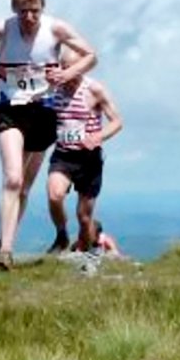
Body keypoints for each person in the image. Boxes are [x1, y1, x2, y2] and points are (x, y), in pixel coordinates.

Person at [0, 0, 97, 270]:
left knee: (24, 187)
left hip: (44, 113)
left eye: (34, 10)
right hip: (10, 111)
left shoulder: (56, 29)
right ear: (15, 8)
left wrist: (67, 73)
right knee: (12, 177)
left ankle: (6, 242)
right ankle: (6, 253)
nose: (29, 17)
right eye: (23, 10)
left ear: (42, 8)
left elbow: (91, 55)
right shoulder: (2, 28)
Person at [45, 47, 123, 256]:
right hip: (63, 154)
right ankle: (62, 235)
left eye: (72, 69)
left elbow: (117, 122)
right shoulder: (53, 89)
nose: (67, 73)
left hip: (89, 159)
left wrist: (98, 137)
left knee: (84, 217)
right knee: (54, 195)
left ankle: (86, 254)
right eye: (64, 68)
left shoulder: (94, 90)